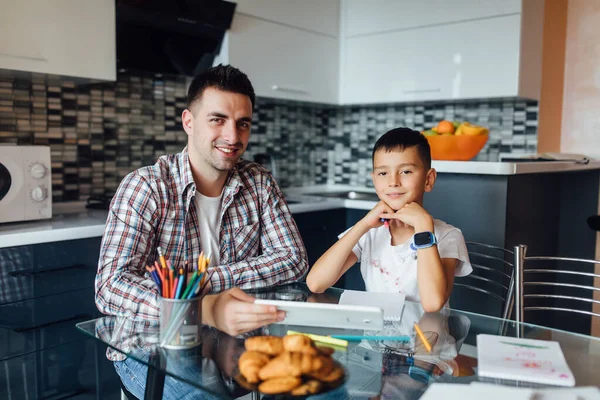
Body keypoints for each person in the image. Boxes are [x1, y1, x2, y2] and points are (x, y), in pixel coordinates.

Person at [95, 64, 308, 332]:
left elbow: (293, 260)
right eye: (217, 120)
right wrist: (202, 308)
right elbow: (110, 287)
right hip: (154, 341)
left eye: (243, 123)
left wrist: (202, 281)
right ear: (188, 122)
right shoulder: (147, 186)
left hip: (236, 337)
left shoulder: (259, 181)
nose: (232, 137)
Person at [306, 128, 472, 312]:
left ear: (428, 179)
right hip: (377, 338)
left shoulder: (448, 236)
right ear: (374, 180)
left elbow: (432, 304)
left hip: (427, 338)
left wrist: (424, 227)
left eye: (406, 171)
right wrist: (363, 225)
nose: (393, 182)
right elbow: (316, 284)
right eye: (383, 173)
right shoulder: (369, 233)